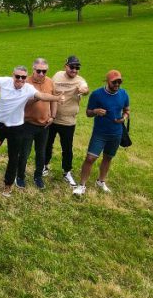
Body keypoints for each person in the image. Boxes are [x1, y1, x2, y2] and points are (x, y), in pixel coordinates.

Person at [0, 66, 61, 197]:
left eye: (23, 77)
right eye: (17, 76)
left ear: (25, 78)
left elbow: (42, 95)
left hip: (16, 127)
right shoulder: (5, 81)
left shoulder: (28, 88)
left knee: (14, 157)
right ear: (13, 75)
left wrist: (56, 98)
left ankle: (8, 184)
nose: (20, 79)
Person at [74, 70, 130, 197]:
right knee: (90, 158)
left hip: (116, 133)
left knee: (108, 157)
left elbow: (127, 110)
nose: (117, 84)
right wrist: (96, 111)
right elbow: (88, 113)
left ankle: (101, 181)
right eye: (114, 82)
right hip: (100, 133)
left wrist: (124, 118)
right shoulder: (97, 94)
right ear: (107, 81)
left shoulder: (123, 94)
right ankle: (81, 185)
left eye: (119, 82)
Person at [46, 55, 89, 187]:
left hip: (68, 122)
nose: (74, 70)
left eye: (77, 68)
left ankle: (67, 172)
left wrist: (84, 90)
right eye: (72, 67)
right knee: (47, 144)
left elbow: (85, 89)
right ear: (66, 66)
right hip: (52, 118)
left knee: (67, 148)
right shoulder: (57, 75)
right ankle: (44, 166)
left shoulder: (80, 81)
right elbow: (50, 89)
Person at [16, 57, 58, 190]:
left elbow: (54, 100)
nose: (41, 74)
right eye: (38, 71)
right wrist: (36, 97)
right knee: (24, 152)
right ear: (33, 69)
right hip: (27, 124)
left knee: (41, 153)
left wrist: (53, 116)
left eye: (44, 71)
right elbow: (20, 103)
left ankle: (38, 176)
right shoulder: (25, 82)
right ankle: (20, 176)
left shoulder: (50, 82)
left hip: (44, 125)